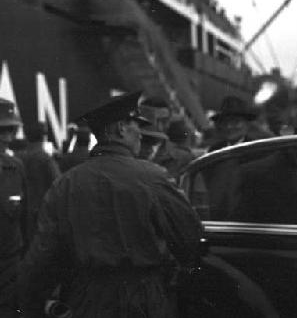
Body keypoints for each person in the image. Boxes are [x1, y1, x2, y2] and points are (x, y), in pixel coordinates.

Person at [18, 92, 203, 318]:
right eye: (137, 125)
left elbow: (42, 257)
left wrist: (30, 307)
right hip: (144, 300)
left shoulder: (65, 184)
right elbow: (191, 238)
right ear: (121, 129)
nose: (141, 135)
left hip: (85, 300)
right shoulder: (153, 177)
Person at [0, 98, 27, 318]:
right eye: (2, 129)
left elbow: (25, 215)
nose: (6, 136)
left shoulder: (16, 167)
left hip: (10, 261)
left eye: (10, 129)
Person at [17, 122, 61, 243]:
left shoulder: (19, 159)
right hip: (43, 213)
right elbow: (59, 184)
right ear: (43, 136)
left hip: (22, 214)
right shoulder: (45, 159)